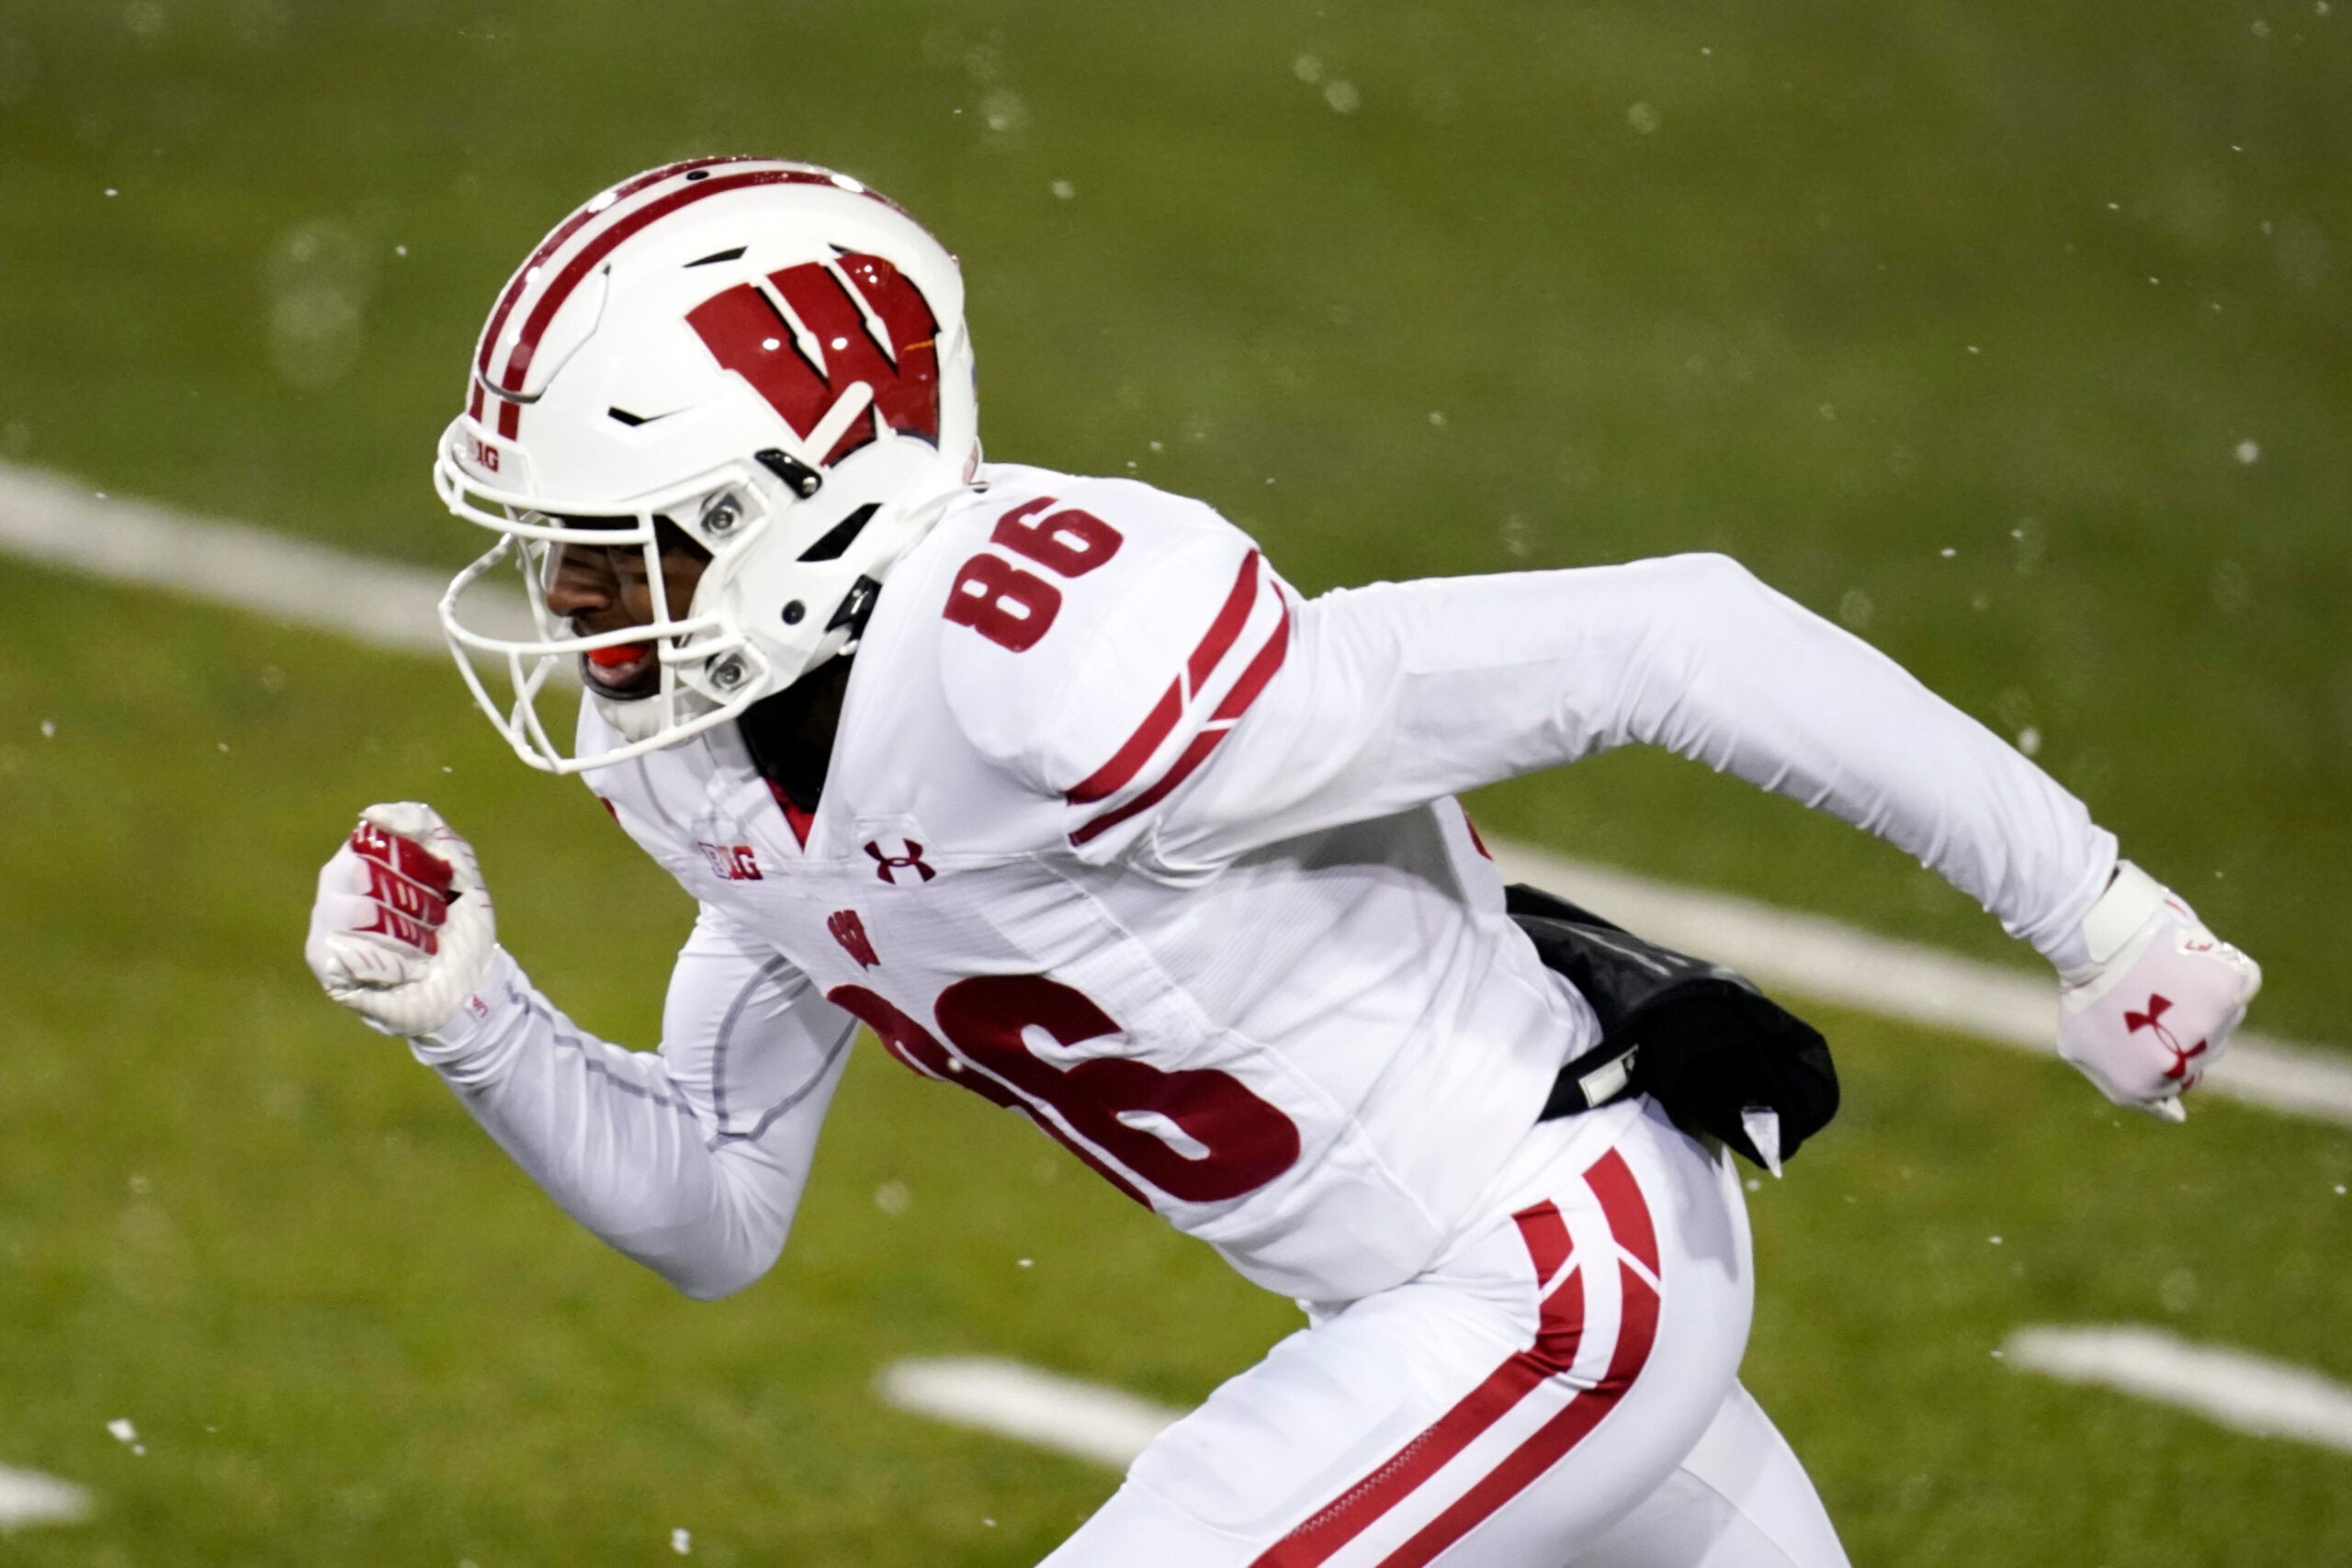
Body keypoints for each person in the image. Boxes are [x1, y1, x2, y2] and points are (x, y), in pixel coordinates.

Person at [304, 158, 2261, 1567]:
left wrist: (2094, 911)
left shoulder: (1043, 653)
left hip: (1551, 1272)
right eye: (557, 548)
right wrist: (470, 1013)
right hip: (1419, 1315)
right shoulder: (706, 775)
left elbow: (1677, 630)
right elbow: (714, 1203)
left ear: (810, 491)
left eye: (613, 542)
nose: (566, 606)